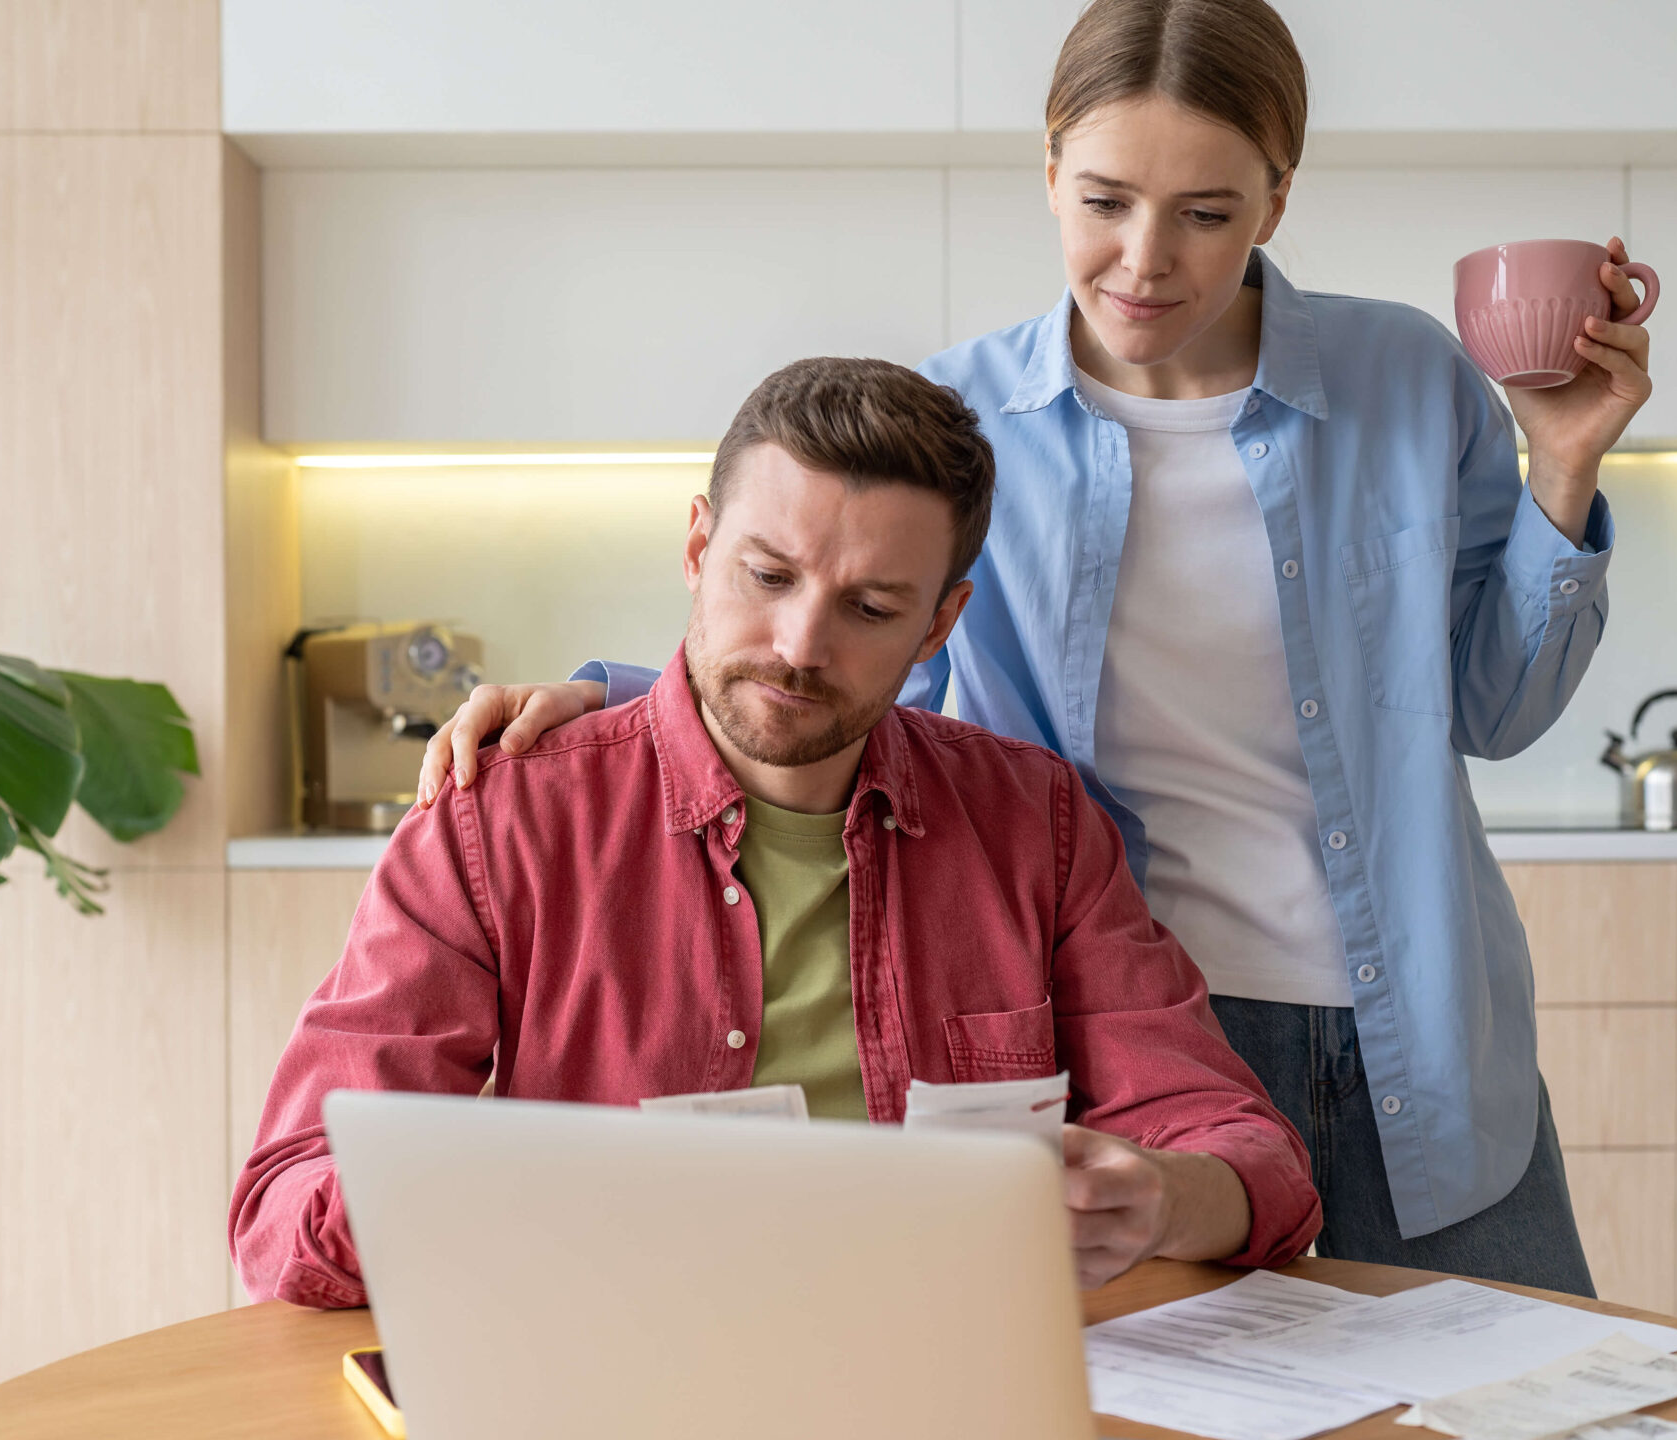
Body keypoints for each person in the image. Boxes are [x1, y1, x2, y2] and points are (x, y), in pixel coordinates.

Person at [418, 0, 1652, 1296]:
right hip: (1139, 1029)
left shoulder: (1406, 376)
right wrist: (609, 701)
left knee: (1526, 1396)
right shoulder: (964, 422)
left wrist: (1560, 471)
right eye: (1107, 199)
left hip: (1421, 1023)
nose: (1145, 259)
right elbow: (869, 653)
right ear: (1050, 166)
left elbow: (1491, 707)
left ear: (1278, 199)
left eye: (1208, 213)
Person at [233, 357, 1322, 1308]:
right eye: (768, 577)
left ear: (939, 623)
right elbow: (282, 1210)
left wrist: (1163, 1200)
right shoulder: (499, 818)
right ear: (698, 545)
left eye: (870, 608)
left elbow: (1252, 1162)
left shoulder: (1033, 823)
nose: (800, 646)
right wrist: (520, 1184)